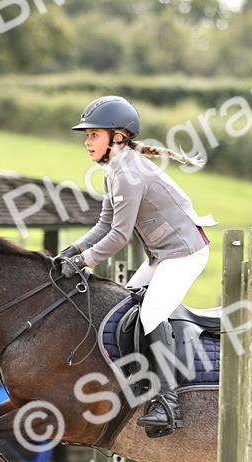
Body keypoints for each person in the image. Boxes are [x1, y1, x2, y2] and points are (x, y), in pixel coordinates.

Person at [54, 96, 216, 437]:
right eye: (87, 135)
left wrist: (82, 262)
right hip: (163, 255)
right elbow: (103, 223)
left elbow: (118, 237)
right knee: (125, 304)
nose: (86, 142)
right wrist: (73, 248)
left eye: (93, 135)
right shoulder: (114, 170)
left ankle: (169, 403)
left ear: (117, 137)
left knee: (151, 314)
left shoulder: (128, 174)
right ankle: (139, 379)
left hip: (185, 253)